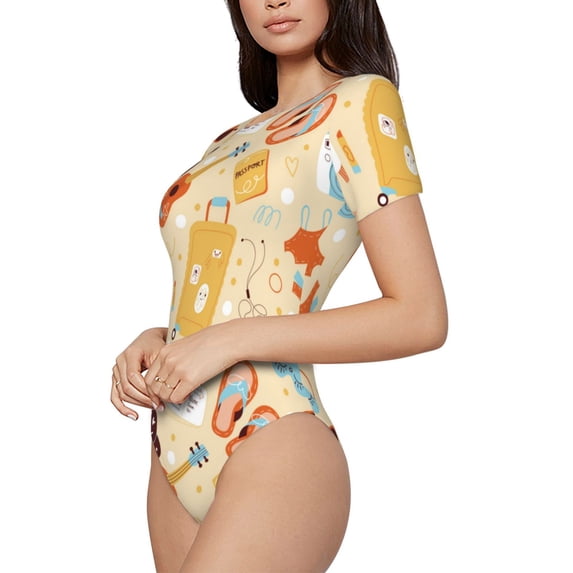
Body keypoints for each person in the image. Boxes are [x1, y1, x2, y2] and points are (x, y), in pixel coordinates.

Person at [111, 0, 447, 571]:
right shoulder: (228, 141)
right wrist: (160, 339)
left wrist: (228, 341)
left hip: (274, 436)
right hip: (173, 443)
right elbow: (228, 287)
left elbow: (420, 316)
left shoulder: (362, 103)